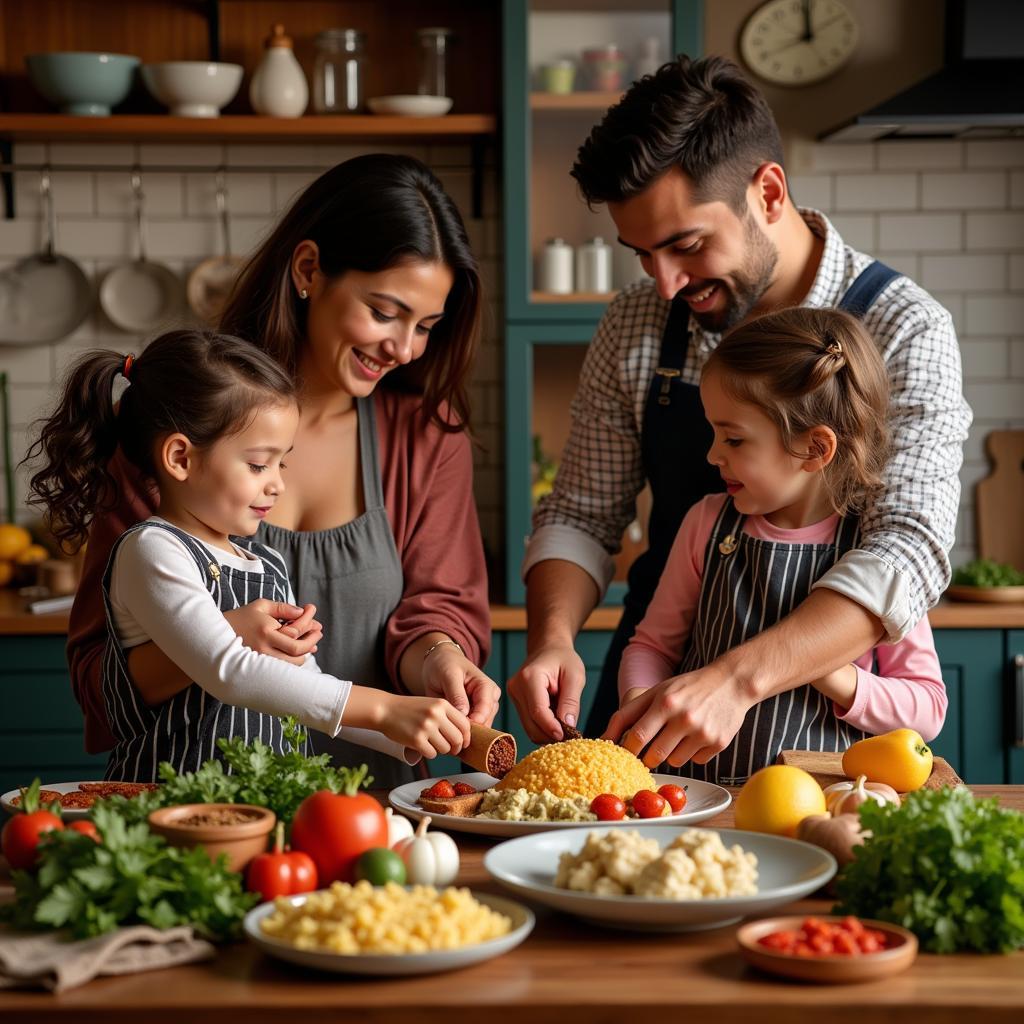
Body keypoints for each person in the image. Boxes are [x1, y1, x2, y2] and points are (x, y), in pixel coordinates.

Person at [509, 55, 970, 763]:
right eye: (642, 254)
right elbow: (580, 512)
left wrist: (735, 680)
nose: (663, 285)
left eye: (685, 246)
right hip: (653, 697)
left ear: (769, 192)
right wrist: (553, 641)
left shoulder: (905, 328)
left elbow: (905, 546)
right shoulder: (635, 322)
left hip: (827, 746)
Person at [66, 155, 499, 788]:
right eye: (384, 312)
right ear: (308, 270)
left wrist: (440, 658)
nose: (405, 349)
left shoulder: (426, 437)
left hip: (369, 812)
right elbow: (102, 679)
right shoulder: (178, 428)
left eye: (426, 326)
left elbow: (426, 613)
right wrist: (223, 644)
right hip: (197, 810)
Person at [28, 331, 473, 780]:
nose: (277, 483)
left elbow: (308, 684)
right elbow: (230, 669)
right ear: (180, 458)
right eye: (259, 464)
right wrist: (382, 709)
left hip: (255, 803)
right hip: (164, 804)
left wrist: (405, 735)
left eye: (282, 463)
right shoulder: (153, 551)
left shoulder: (265, 564)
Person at [607, 308, 947, 781]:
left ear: (815, 448)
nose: (712, 454)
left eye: (734, 439)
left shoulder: (875, 552)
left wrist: (829, 671)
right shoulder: (707, 523)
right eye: (713, 433)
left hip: (823, 808)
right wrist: (642, 702)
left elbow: (927, 708)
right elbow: (651, 646)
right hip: (699, 799)